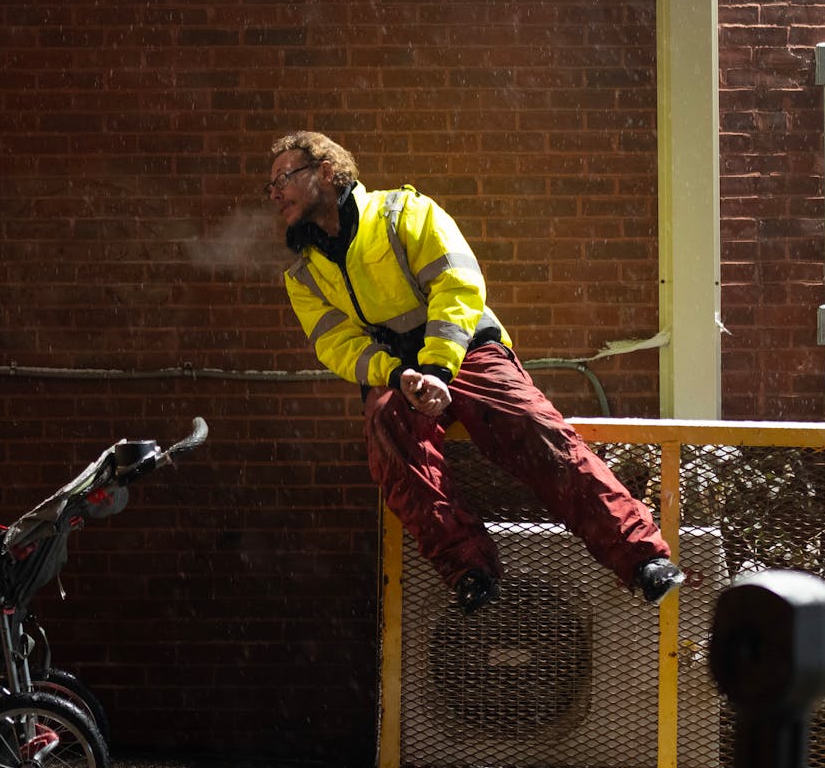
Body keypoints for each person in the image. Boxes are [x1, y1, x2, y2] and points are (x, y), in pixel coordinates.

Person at [267, 130, 684, 614]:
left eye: (284, 177)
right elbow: (335, 345)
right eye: (270, 186)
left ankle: (641, 557)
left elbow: (457, 283)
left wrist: (439, 368)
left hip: (466, 349)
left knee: (534, 429)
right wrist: (398, 375)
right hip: (400, 374)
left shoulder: (402, 212)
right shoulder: (302, 273)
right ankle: (469, 569)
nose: (275, 192)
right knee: (387, 434)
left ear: (326, 171)